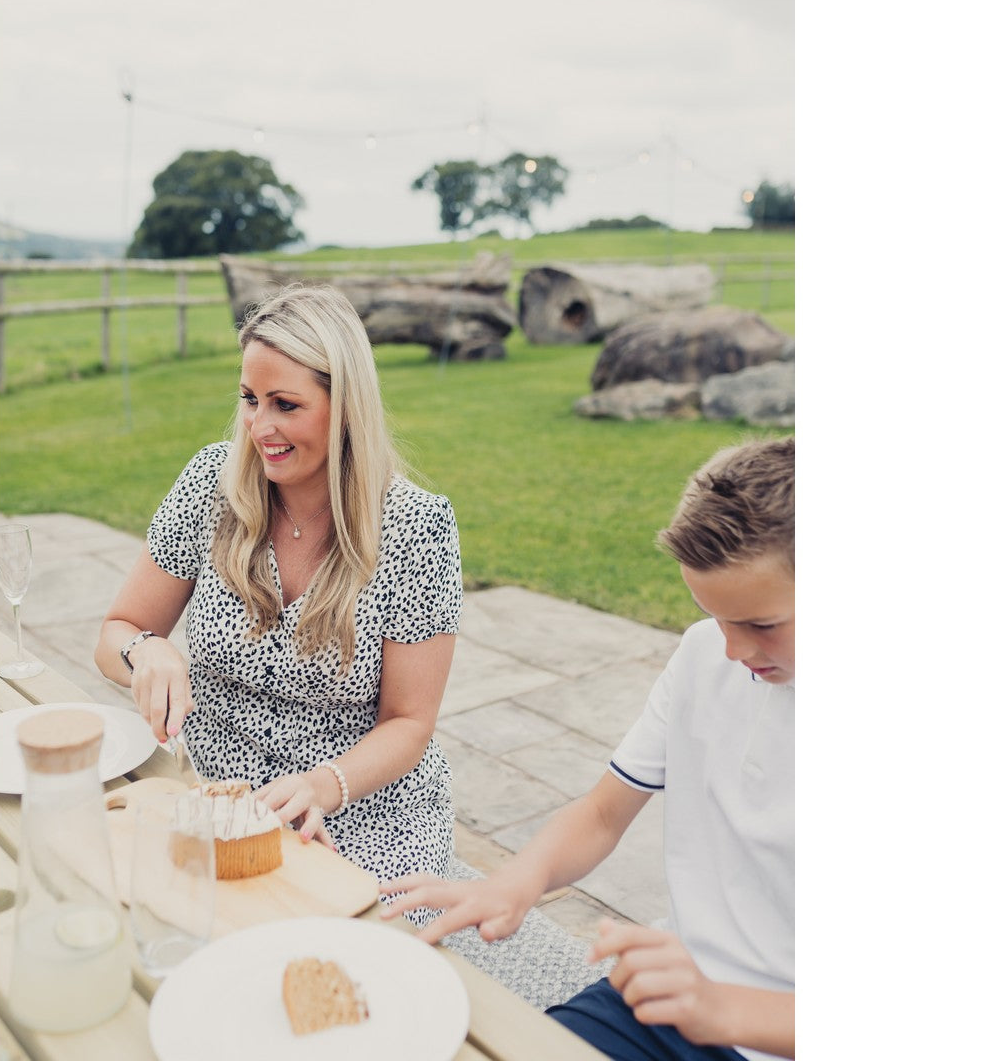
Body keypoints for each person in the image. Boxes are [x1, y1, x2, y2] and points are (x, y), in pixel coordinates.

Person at [382, 436, 795, 1061]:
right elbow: (603, 812)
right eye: (715, 617)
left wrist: (725, 1011)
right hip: (666, 1006)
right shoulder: (703, 655)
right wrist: (517, 881)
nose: (734, 651)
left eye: (762, 624)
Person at [94, 284, 462, 901]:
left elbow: (409, 722)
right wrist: (147, 651)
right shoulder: (211, 483)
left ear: (343, 405)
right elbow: (117, 632)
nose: (259, 427)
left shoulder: (415, 528)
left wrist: (322, 786)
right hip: (216, 800)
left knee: (346, 950)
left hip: (361, 808)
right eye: (248, 399)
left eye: (285, 405)